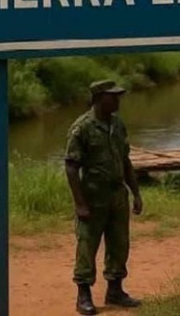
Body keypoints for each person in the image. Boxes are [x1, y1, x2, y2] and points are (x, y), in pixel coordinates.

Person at [64, 79, 144, 315]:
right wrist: (80, 203)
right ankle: (84, 295)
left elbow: (125, 160)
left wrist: (136, 193)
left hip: (117, 195)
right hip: (93, 195)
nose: (118, 100)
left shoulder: (117, 124)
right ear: (99, 98)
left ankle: (115, 290)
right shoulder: (83, 127)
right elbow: (71, 167)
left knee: (119, 243)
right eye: (114, 96)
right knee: (87, 245)